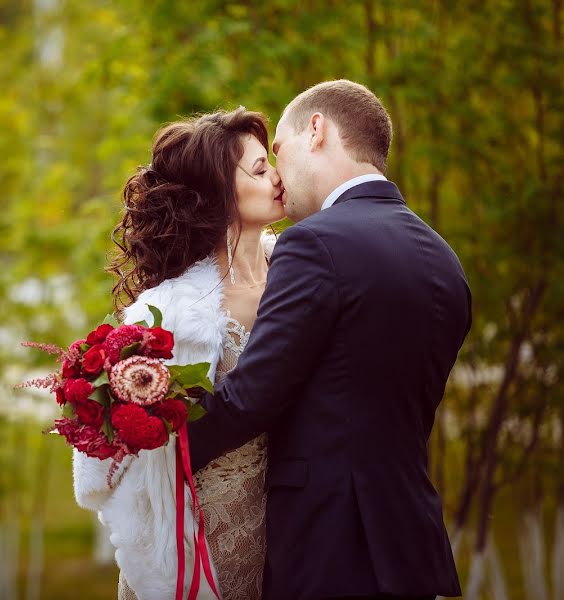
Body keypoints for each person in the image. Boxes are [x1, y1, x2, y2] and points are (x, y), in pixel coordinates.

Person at [188, 80, 470, 599]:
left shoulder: (315, 243)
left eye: (278, 150)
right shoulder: (444, 261)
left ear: (316, 130)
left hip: (328, 548)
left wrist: (149, 433)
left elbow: (251, 398)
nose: (276, 174)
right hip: (410, 547)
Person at [72, 107, 284, 599]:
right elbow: (106, 461)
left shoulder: (296, 273)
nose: (277, 176)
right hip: (196, 533)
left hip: (284, 521)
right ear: (219, 195)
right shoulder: (169, 312)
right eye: (258, 169)